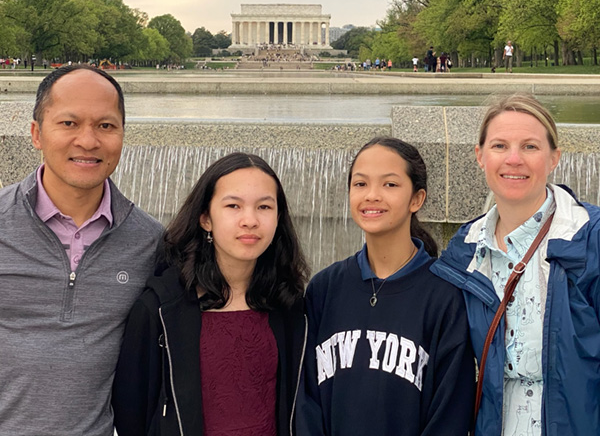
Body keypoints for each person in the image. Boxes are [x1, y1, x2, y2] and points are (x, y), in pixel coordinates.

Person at [0, 65, 163, 435]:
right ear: (36, 134)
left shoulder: (150, 242)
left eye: (105, 126)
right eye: (69, 123)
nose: (88, 141)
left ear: (122, 135)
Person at [431, 93, 600, 435]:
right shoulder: (463, 254)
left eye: (530, 147)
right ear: (480, 156)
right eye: (499, 146)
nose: (513, 159)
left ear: (555, 158)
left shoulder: (591, 240)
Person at [112, 152, 309, 436]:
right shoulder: (160, 309)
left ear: (278, 217)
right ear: (205, 218)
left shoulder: (289, 304)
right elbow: (132, 415)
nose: (250, 220)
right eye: (233, 206)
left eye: (264, 207)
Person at [296, 137, 475, 436]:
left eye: (390, 185)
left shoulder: (445, 295)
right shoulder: (324, 288)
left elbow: (451, 412)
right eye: (361, 184)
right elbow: (305, 400)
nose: (372, 195)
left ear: (416, 199)